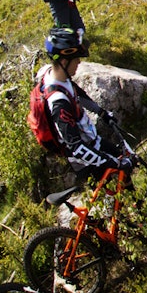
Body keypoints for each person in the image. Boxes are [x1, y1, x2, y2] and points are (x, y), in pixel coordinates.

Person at [37, 27, 132, 182]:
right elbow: (76, 146)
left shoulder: (58, 77)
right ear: (64, 61)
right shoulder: (58, 101)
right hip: (85, 159)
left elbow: (79, 96)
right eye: (76, 59)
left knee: (125, 174)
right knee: (114, 196)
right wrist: (113, 162)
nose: (79, 62)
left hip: (94, 142)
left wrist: (102, 113)